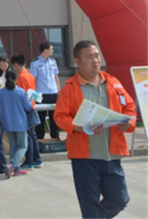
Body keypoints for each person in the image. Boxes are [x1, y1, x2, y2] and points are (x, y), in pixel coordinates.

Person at [54, 40, 136, 219]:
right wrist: (81, 127)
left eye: (97, 56)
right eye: (89, 57)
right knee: (90, 206)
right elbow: (60, 117)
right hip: (85, 158)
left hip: (111, 155)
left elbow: (129, 108)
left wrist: (128, 123)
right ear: (77, 62)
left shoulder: (113, 83)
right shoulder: (70, 88)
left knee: (119, 200)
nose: (95, 60)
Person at [0, 70, 32, 178]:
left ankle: (16, 169)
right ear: (16, 79)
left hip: (7, 122)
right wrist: (31, 100)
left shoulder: (0, 93)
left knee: (13, 146)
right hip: (20, 122)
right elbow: (28, 107)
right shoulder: (21, 92)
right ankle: (12, 165)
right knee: (23, 146)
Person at [10, 53, 42, 170]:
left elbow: (20, 96)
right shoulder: (30, 76)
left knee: (27, 137)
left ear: (16, 64)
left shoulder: (20, 78)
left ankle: (29, 162)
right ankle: (37, 160)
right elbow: (35, 93)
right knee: (32, 136)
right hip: (31, 106)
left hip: (23, 110)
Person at [30, 41, 61, 140]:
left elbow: (56, 76)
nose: (53, 50)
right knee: (40, 118)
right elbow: (33, 80)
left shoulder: (53, 61)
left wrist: (58, 90)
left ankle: (55, 137)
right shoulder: (35, 63)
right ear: (46, 50)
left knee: (54, 117)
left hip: (54, 93)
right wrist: (33, 97)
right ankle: (39, 139)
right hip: (41, 94)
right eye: (51, 49)